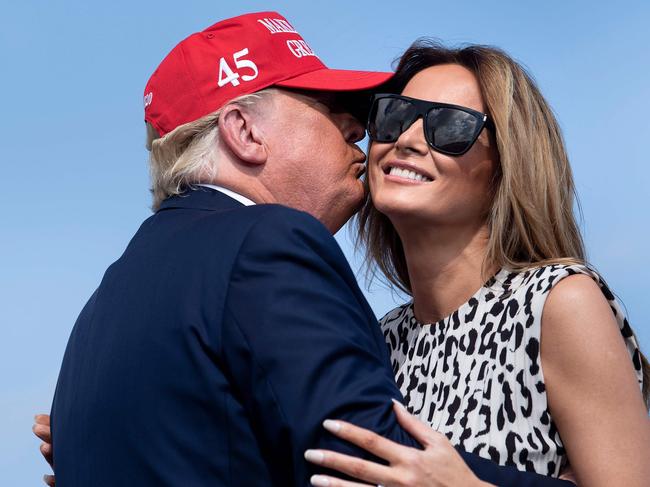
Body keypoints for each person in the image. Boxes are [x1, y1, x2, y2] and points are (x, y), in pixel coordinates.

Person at [31, 13, 575, 487]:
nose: (357, 129)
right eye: (325, 105)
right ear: (244, 132)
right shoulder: (266, 241)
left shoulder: (101, 309)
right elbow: (367, 463)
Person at [301, 40, 650, 486]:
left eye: (449, 127)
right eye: (394, 115)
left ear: (506, 166)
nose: (406, 140)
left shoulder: (557, 303)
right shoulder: (380, 340)